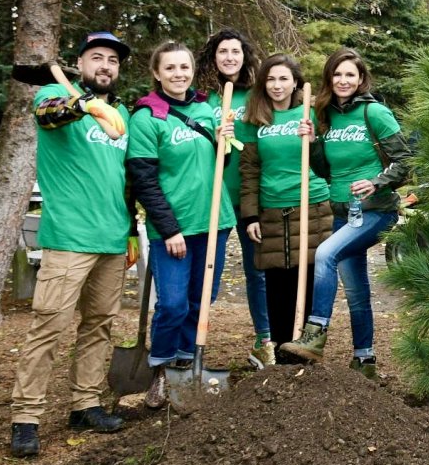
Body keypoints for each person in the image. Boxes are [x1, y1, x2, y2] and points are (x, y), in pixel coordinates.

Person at [9, 31, 135, 457]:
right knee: (48, 327)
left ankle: (86, 404)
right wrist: (82, 103)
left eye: (113, 61)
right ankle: (25, 417)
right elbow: (49, 115)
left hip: (112, 239)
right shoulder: (53, 95)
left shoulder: (121, 114)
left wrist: (132, 230)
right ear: (80, 64)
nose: (105, 66)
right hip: (68, 239)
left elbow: (124, 178)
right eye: (97, 58)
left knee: (99, 326)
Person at [278, 48, 409, 376]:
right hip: (342, 212)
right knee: (355, 289)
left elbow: (406, 161)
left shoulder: (375, 113)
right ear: (329, 79)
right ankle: (364, 359)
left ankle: (314, 336)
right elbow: (323, 170)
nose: (343, 80)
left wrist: (377, 182)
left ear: (361, 78)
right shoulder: (325, 115)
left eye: (350, 74)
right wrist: (312, 143)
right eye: (337, 74)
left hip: (375, 210)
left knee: (324, 255)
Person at [127, 41, 236, 408]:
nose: (179, 74)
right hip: (173, 229)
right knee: (172, 304)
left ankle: (187, 365)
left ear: (192, 70)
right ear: (157, 73)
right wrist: (169, 229)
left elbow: (220, 168)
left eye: (184, 67)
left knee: (199, 301)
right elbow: (144, 179)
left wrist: (225, 142)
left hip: (214, 222)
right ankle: (160, 369)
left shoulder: (207, 110)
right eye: (170, 68)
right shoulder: (146, 117)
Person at [238, 54, 332, 365]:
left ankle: (305, 352)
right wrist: (250, 214)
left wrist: (315, 138)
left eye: (283, 79)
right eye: (271, 79)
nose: (277, 85)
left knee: (308, 279)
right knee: (277, 284)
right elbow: (249, 170)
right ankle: (280, 350)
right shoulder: (256, 119)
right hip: (271, 210)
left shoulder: (312, 113)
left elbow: (327, 159)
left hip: (312, 207)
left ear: (295, 82)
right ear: (263, 84)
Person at [196, 28, 272, 366]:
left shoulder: (257, 96)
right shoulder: (201, 99)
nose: (229, 57)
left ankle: (264, 339)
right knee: (207, 272)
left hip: (250, 197)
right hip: (213, 197)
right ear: (213, 57)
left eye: (235, 52)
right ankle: (189, 346)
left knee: (258, 271)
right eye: (223, 51)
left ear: (245, 57)